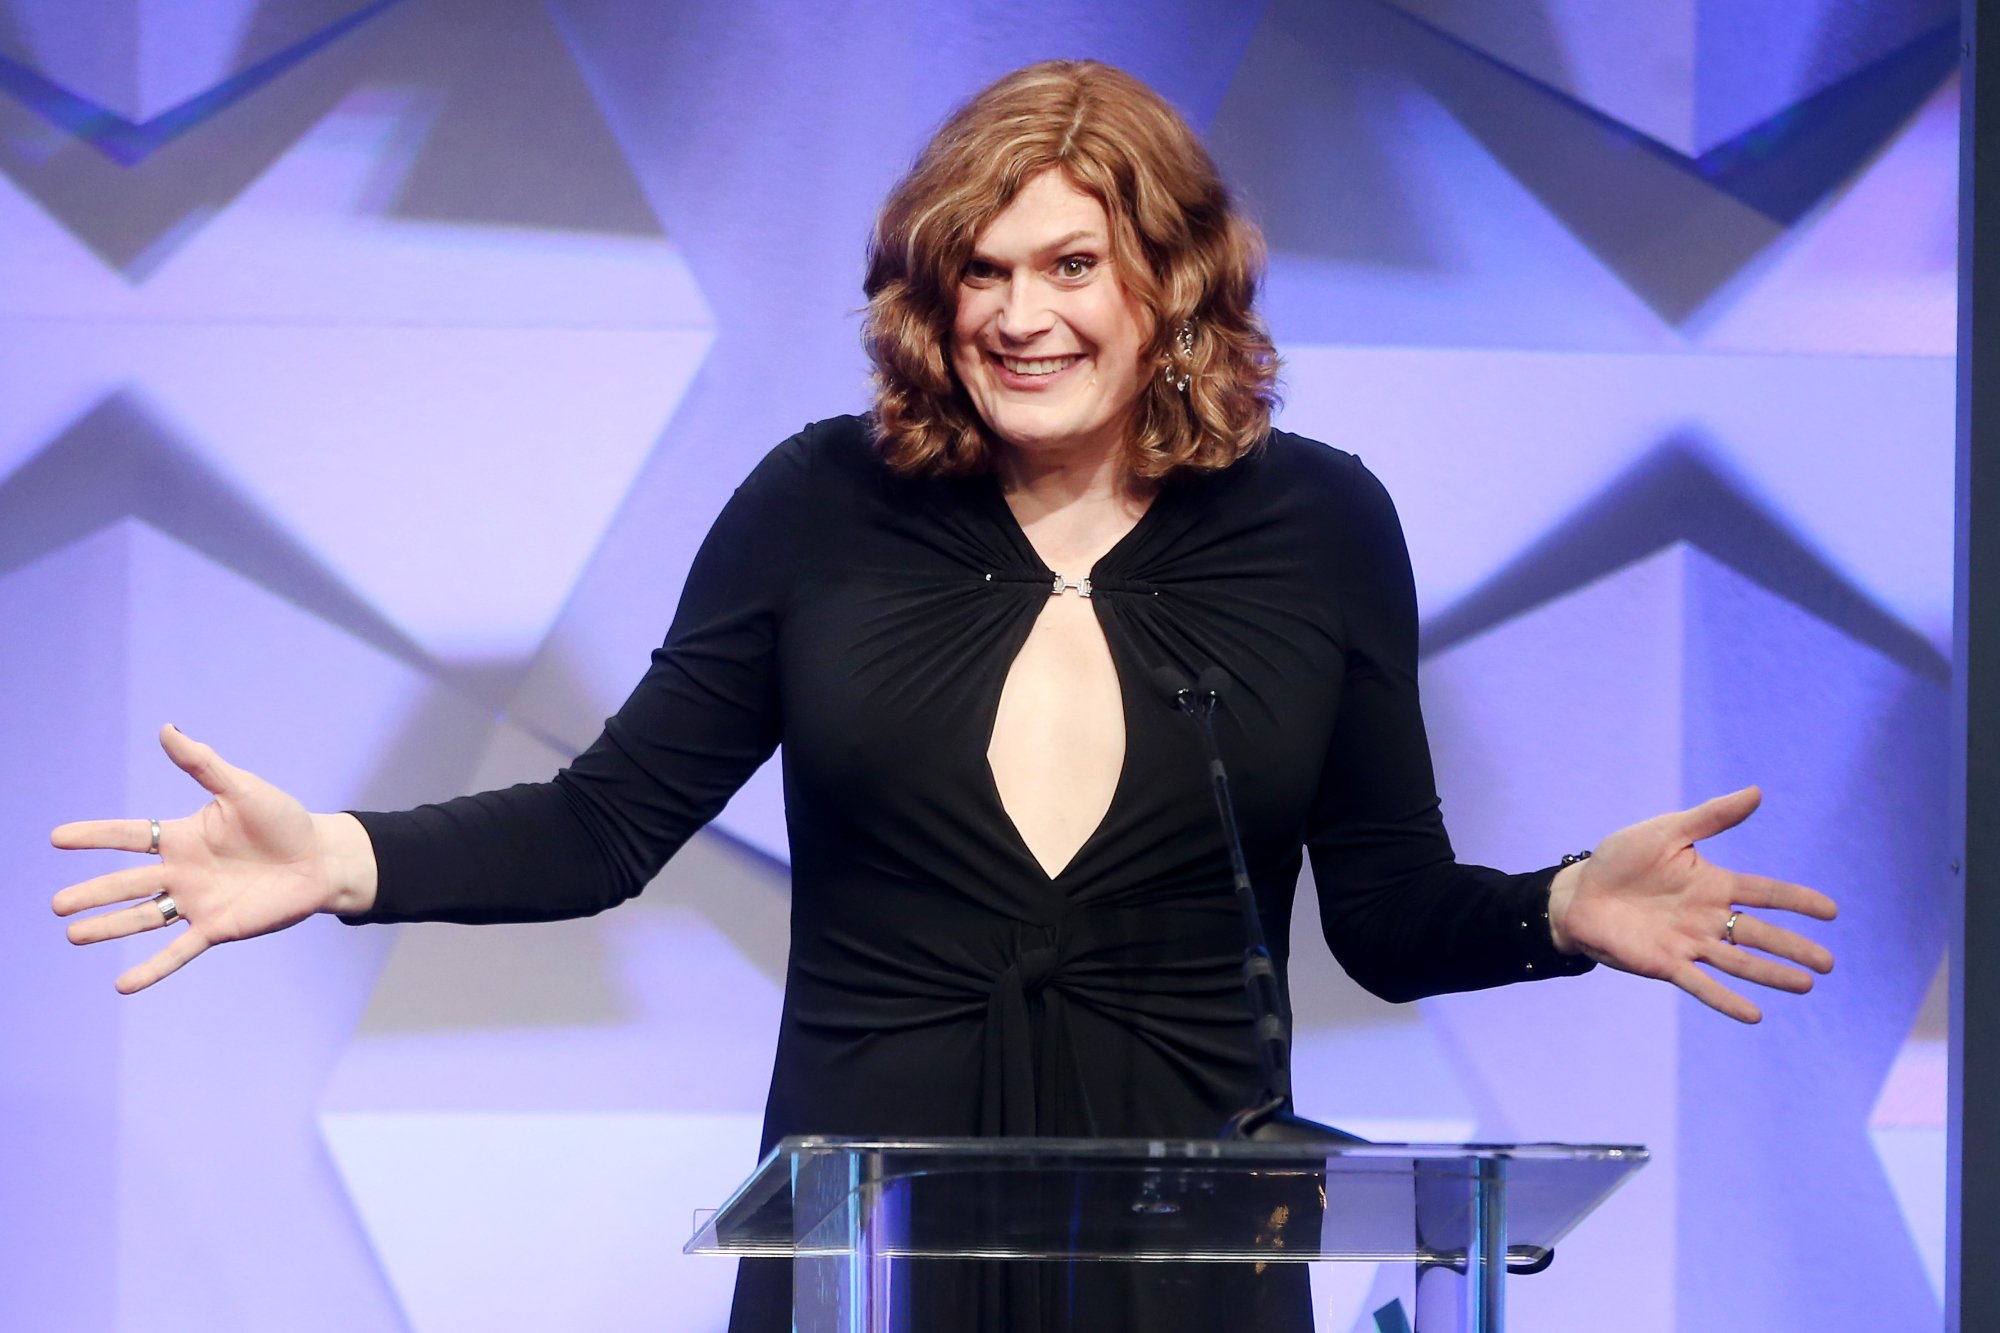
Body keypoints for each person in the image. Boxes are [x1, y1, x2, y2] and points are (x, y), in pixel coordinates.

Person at [49, 60, 1836, 1332]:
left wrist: (1556, 909)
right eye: (978, 270)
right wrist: (339, 856)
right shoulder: (825, 499)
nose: (1020, 314)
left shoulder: (1320, 523)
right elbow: (604, 823)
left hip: (1188, 1262)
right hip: (866, 1258)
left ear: (1174, 283)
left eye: (1072, 264)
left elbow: (1376, 910)